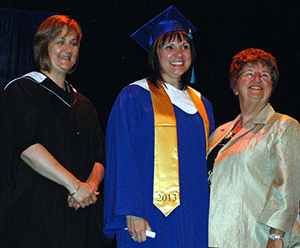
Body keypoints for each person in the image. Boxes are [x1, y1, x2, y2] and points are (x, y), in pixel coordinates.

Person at [103, 5, 215, 248]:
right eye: (169, 46)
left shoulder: (202, 104)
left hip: (196, 216)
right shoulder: (134, 96)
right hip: (151, 215)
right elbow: (122, 157)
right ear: (155, 53)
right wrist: (130, 212)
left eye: (185, 46)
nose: (179, 53)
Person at [0, 15, 111, 247]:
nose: (67, 49)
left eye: (74, 43)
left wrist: (89, 188)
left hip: (78, 218)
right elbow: (27, 147)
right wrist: (75, 186)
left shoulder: (84, 104)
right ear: (44, 46)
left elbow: (99, 156)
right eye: (60, 41)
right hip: (34, 219)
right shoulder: (22, 90)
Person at [207, 48, 300, 248]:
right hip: (213, 237)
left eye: (264, 75)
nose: (257, 79)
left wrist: (276, 237)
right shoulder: (218, 134)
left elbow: (288, 187)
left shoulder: (282, 125)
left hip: (256, 238)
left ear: (271, 87)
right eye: (249, 74)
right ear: (235, 86)